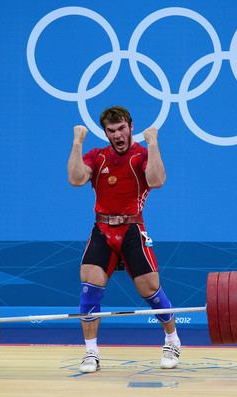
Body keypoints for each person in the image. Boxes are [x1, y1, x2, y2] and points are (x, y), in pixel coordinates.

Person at [67, 105, 181, 373]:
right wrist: (77, 143)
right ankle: (91, 352)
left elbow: (157, 180)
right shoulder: (98, 156)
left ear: (131, 127)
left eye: (121, 128)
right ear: (105, 132)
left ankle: (172, 339)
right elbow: (75, 179)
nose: (117, 135)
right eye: (111, 130)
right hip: (102, 230)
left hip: (131, 230)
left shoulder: (141, 155)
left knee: (150, 289)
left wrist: (153, 143)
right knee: (89, 286)